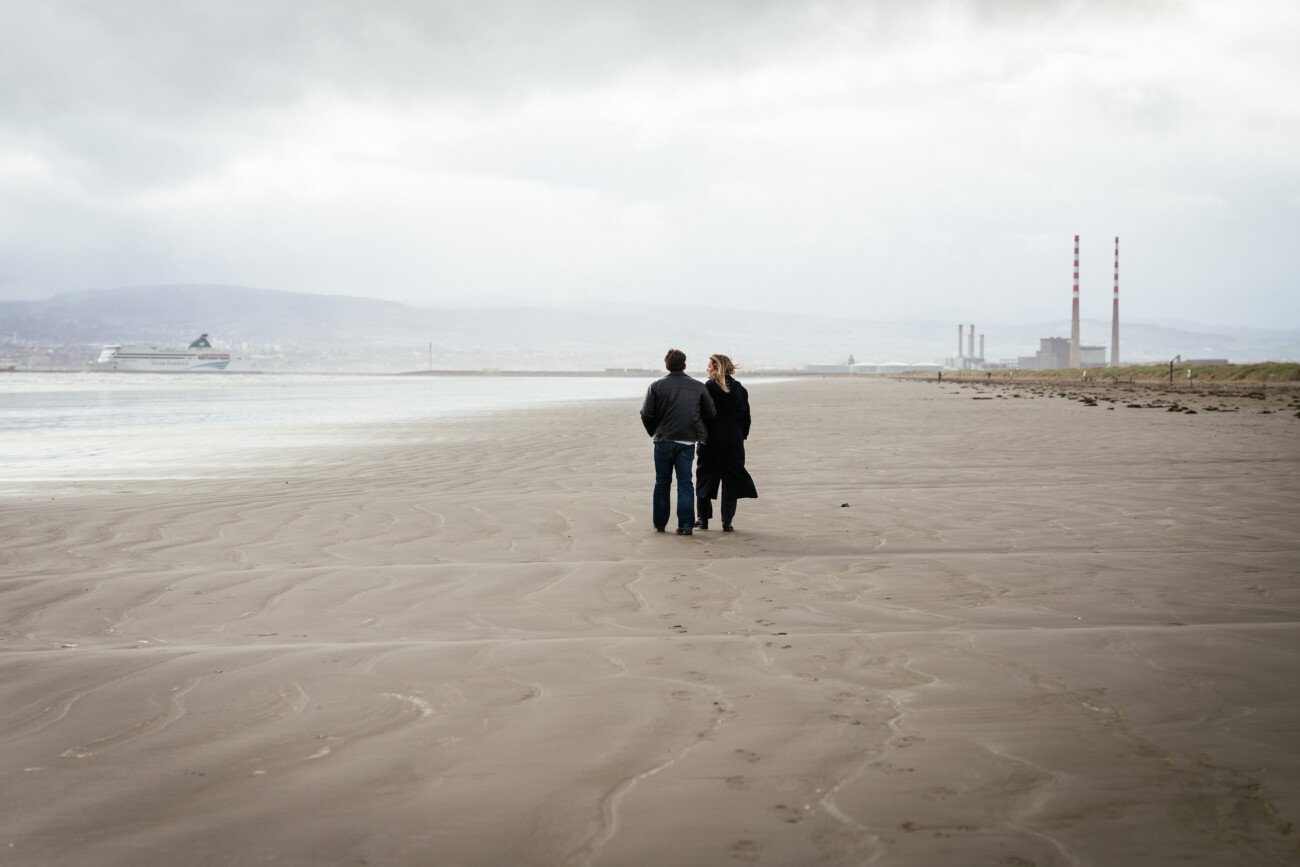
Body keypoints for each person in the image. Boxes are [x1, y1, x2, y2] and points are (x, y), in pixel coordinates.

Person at [640, 349, 715, 535]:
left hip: (664, 440)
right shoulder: (698, 386)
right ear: (684, 365)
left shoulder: (656, 386)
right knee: (685, 483)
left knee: (662, 482)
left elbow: (645, 413)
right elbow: (711, 413)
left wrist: (654, 431)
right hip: (687, 441)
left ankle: (660, 524)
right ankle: (686, 525)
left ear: (666, 365)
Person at [694, 354, 757, 532]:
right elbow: (747, 417)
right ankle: (727, 522)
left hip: (711, 441)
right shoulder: (740, 389)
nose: (707, 369)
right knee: (731, 480)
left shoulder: (708, 388)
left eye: (709, 366)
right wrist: (740, 436)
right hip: (733, 442)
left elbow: (701, 414)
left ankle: (703, 519)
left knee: (705, 478)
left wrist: (700, 435)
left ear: (717, 368)